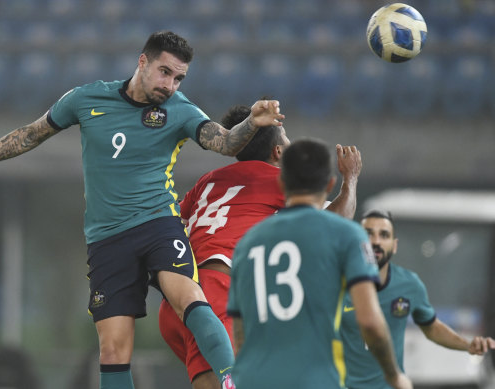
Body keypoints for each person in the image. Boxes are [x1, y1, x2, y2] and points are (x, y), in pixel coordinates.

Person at [0, 30, 285, 389]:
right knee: (113, 350)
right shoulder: (86, 99)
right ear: (143, 62)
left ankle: (233, 380)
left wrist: (250, 124)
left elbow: (226, 142)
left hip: (158, 223)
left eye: (179, 77)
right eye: (165, 72)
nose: (170, 84)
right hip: (108, 238)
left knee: (188, 297)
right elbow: (32, 133)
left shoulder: (180, 110)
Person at [158, 103, 362, 389]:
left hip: (178, 301)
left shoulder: (207, 182)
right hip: (218, 293)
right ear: (278, 152)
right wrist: (350, 181)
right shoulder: (279, 181)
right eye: (287, 139)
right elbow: (335, 224)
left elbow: (166, 225)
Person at [226, 138, 412, 389]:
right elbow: (369, 321)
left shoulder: (247, 244)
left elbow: (240, 332)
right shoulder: (347, 235)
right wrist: (394, 376)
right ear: (330, 184)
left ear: (281, 183)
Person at [341, 209, 495, 389]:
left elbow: (432, 327)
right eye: (368, 234)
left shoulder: (409, 284)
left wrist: (467, 345)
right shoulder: (338, 284)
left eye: (384, 235)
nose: (376, 241)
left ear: (394, 245)